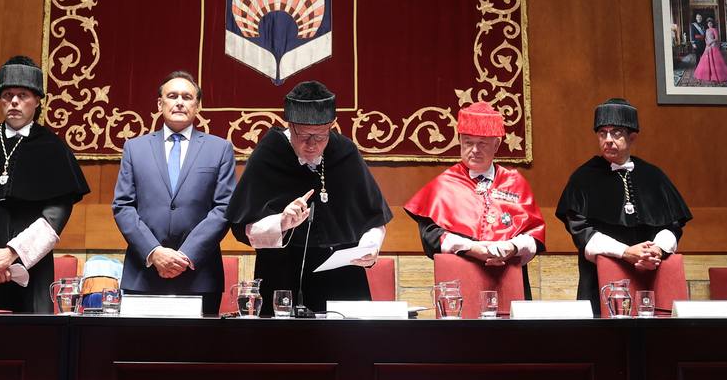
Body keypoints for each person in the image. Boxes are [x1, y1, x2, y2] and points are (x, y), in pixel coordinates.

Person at [227, 80, 391, 315]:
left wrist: (370, 247)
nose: (312, 145)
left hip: (341, 275)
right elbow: (243, 228)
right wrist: (281, 222)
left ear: (331, 126)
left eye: (321, 136)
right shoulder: (269, 153)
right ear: (290, 125)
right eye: (303, 135)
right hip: (283, 275)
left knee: (348, 347)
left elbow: (374, 218)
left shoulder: (344, 151)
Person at [0, 56, 89, 313]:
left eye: (23, 95)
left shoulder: (53, 150)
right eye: (8, 95)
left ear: (37, 100)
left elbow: (55, 215)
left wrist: (10, 254)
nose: (14, 102)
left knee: (31, 341)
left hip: (30, 264)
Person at [112, 71, 236, 315]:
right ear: (160, 104)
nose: (179, 101)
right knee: (139, 351)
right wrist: (155, 252)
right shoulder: (135, 148)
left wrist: (186, 256)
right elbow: (123, 206)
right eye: (172, 96)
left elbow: (224, 208)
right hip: (143, 273)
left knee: (197, 352)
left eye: (187, 97)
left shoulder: (219, 149)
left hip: (198, 274)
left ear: (197, 106)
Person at [555, 98, 691, 315]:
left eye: (616, 133)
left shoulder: (653, 176)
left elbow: (673, 224)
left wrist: (656, 249)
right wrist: (626, 252)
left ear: (632, 136)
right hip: (600, 282)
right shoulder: (583, 178)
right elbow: (582, 232)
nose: (608, 140)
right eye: (602, 133)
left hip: (651, 276)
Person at [404, 101, 545, 297]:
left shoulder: (514, 182)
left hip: (509, 278)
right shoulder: (445, 184)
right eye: (468, 142)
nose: (475, 150)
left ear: (496, 145)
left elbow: (535, 235)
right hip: (460, 279)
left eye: (482, 143)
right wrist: (472, 248)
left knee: (514, 328)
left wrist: (511, 247)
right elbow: (430, 236)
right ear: (460, 141)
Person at [692, 17, 727, 83]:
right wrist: (706, 42)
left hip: (713, 45)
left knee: (714, 60)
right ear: (707, 24)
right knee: (705, 60)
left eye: (711, 23)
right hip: (707, 46)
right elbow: (705, 38)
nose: (709, 24)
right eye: (708, 23)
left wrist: (711, 42)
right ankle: (707, 74)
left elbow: (717, 38)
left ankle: (716, 74)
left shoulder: (714, 29)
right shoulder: (706, 30)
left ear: (712, 24)